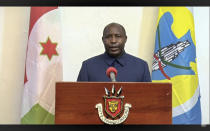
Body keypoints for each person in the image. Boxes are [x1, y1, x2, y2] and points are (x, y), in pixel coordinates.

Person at [77, 22, 151, 82]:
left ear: (125, 39)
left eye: (118, 36)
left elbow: (149, 98)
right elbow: (78, 97)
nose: (113, 41)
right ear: (103, 40)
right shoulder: (88, 66)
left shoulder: (141, 66)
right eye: (108, 37)